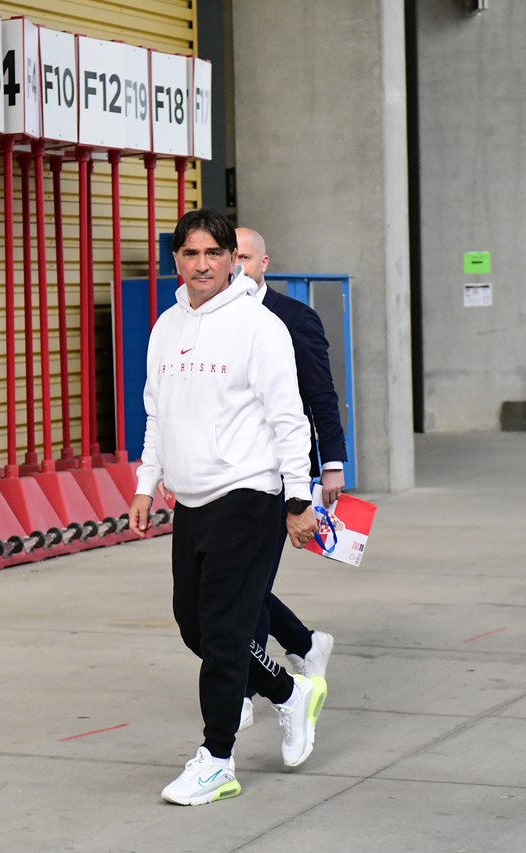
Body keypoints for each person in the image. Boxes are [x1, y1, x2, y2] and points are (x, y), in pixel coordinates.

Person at [128, 209, 326, 806]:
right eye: (190, 255)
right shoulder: (166, 325)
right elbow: (156, 412)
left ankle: (217, 760)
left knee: (221, 632)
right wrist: (147, 481)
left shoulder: (257, 325)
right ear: (177, 262)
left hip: (250, 495)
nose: (202, 264)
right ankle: (291, 694)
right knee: (195, 625)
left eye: (213, 253)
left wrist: (300, 496)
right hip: (190, 500)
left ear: (232, 259)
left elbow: (288, 417)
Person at [233, 227, 343, 732]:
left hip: (284, 470)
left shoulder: (294, 317)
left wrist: (333, 464)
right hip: (231, 471)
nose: (233, 265)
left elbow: (321, 395)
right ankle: (302, 644)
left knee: (247, 584)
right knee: (240, 582)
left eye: (243, 257)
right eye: (225, 256)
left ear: (263, 263)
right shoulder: (216, 320)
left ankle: (245, 688)